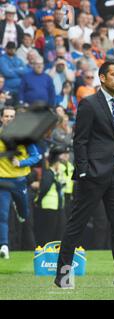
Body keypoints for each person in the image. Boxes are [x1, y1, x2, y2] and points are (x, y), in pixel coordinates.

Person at [55, 61, 114, 288]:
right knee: (77, 224)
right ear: (102, 78)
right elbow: (80, 140)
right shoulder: (88, 103)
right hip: (93, 175)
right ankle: (63, 275)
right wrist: (84, 171)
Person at [0, 106, 41, 259]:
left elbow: (37, 157)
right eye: (6, 116)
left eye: (12, 116)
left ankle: (21, 212)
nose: (9, 119)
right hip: (2, 180)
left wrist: (21, 163)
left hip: (19, 181)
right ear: (1, 118)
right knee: (2, 214)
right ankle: (4, 245)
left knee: (24, 213)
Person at [34, 146, 66, 247]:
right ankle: (45, 251)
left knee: (57, 230)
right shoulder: (49, 174)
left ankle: (54, 250)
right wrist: (38, 201)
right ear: (55, 163)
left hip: (56, 206)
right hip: (49, 206)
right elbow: (44, 189)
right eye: (58, 163)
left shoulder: (54, 174)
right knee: (48, 232)